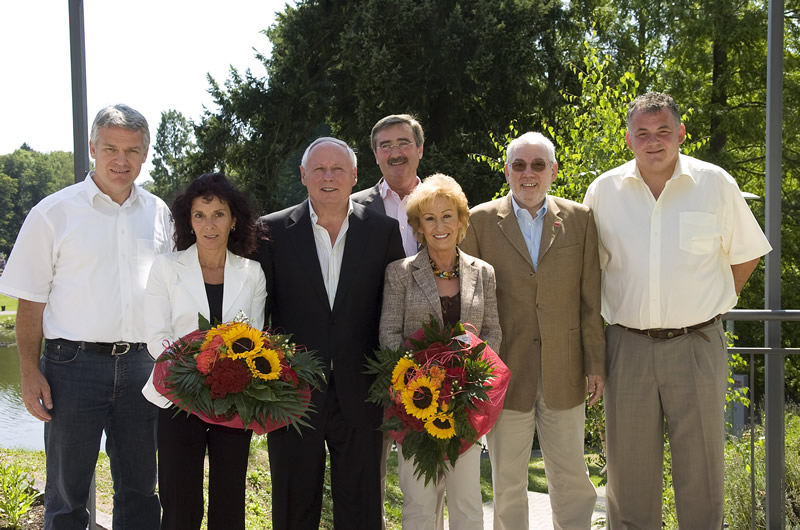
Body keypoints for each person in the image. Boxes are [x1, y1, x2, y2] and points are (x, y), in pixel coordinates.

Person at [583, 92, 772, 529]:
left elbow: (746, 254)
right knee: (628, 479)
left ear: (681, 133)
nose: (654, 141)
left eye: (664, 131)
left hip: (697, 344)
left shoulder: (716, 183)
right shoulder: (604, 191)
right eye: (643, 133)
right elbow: (588, 270)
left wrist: (710, 303)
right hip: (626, 347)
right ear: (629, 139)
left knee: (702, 474)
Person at [0, 104, 171, 529]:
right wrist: (27, 372)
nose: (121, 160)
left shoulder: (160, 214)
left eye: (132, 150)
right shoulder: (53, 213)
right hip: (71, 368)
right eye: (111, 148)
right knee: (66, 495)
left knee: (140, 491)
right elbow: (31, 303)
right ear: (93, 148)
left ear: (145, 154)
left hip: (141, 369)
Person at [255, 137, 404, 529]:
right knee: (293, 502)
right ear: (303, 176)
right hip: (293, 391)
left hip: (362, 391)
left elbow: (391, 310)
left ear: (355, 176)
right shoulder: (270, 232)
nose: (328, 177)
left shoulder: (383, 231)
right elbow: (260, 311)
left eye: (338, 169)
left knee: (361, 505)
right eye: (318, 169)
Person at [460, 131, 606, 530]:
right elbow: (471, 302)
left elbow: (590, 300)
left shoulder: (580, 219)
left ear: (553, 171)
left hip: (566, 369)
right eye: (519, 165)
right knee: (507, 482)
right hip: (504, 373)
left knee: (573, 480)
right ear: (507, 171)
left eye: (538, 165)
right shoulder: (479, 221)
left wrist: (596, 363)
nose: (528, 173)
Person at [141, 173, 267, 530]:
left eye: (219, 214)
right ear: (189, 221)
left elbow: (253, 337)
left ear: (234, 220)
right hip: (177, 397)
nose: (209, 224)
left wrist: (226, 375)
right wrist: (194, 372)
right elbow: (157, 335)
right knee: (180, 506)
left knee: (229, 504)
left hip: (233, 399)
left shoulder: (253, 273)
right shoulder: (166, 268)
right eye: (200, 214)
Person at [379, 173, 501, 530]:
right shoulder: (399, 274)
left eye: (447, 215)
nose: (439, 226)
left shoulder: (483, 274)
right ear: (418, 226)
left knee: (467, 504)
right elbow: (389, 333)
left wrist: (470, 377)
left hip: (465, 408)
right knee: (419, 503)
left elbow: (493, 331)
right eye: (429, 218)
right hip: (415, 406)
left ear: (461, 220)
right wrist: (416, 382)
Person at [351, 113, 436, 527]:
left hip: (433, 359)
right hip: (370, 359)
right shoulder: (354, 207)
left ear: (419, 149)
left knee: (427, 472)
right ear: (375, 155)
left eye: (403, 142)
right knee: (370, 469)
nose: (394, 152)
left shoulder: (445, 202)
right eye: (384, 145)